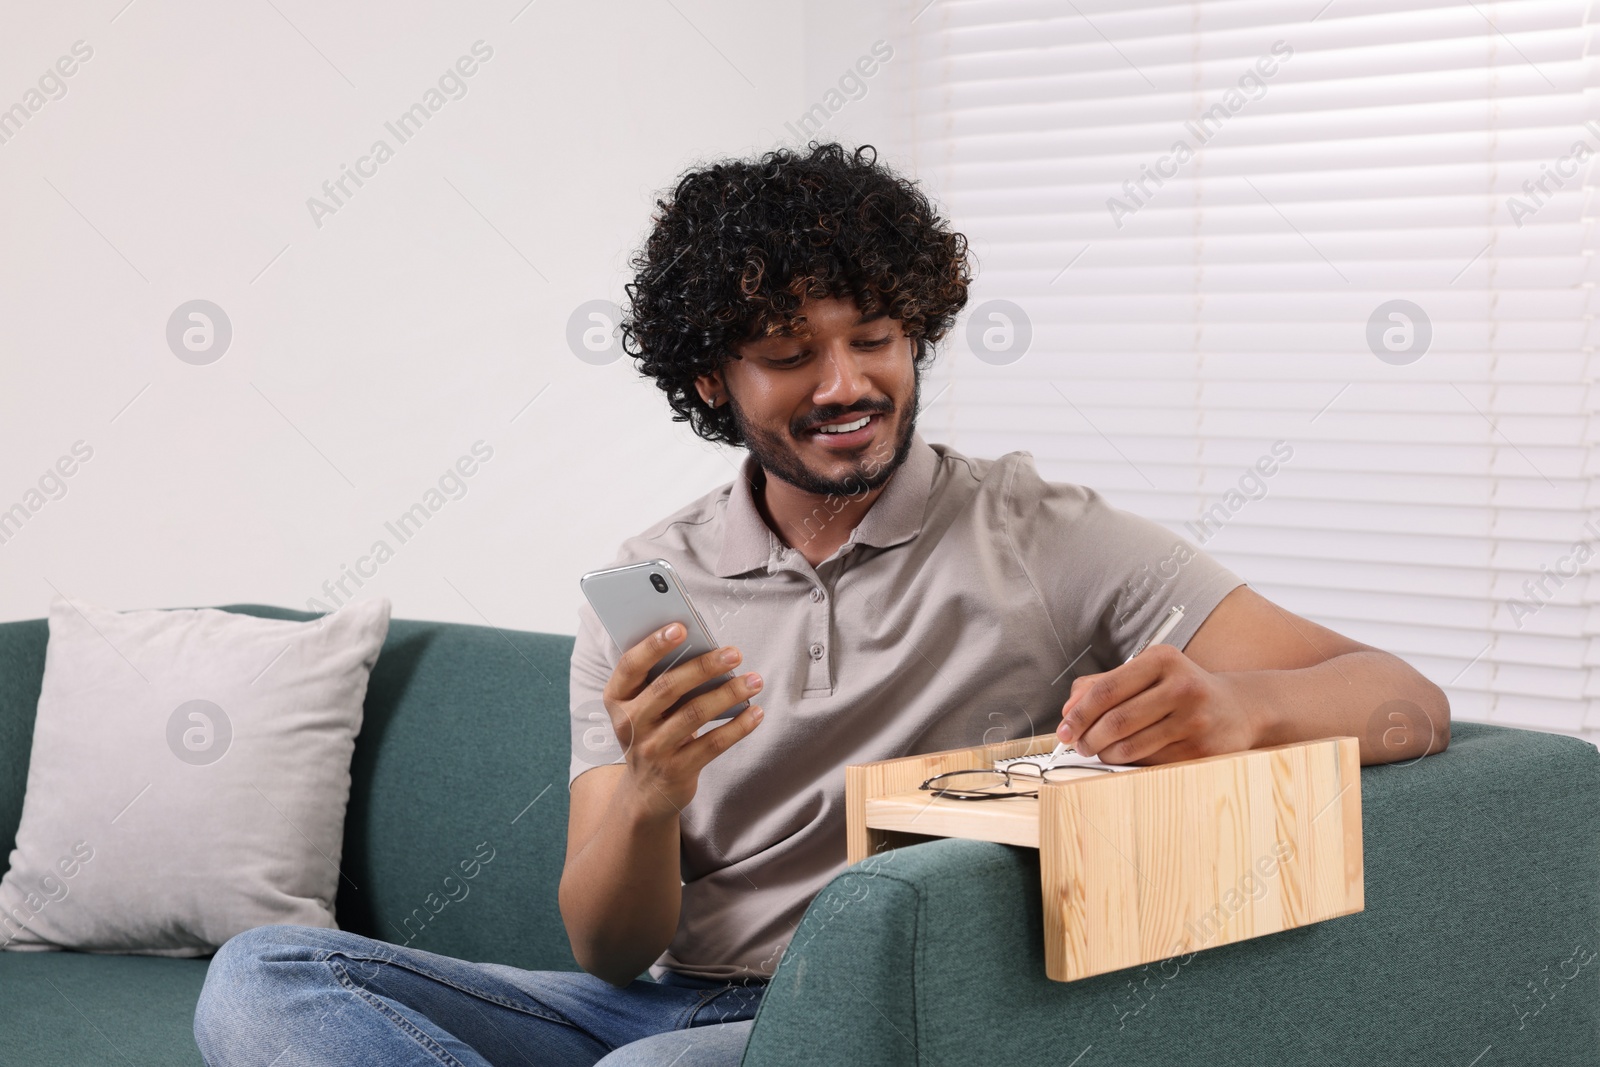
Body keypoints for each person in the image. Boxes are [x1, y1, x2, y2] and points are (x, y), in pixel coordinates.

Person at [193, 142, 1450, 1066]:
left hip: (890, 1007)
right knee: (265, 974)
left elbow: (1404, 700)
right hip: (672, 1002)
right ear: (713, 379)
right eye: (791, 353)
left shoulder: (1040, 533)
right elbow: (606, 947)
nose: (848, 383)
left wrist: (1229, 708)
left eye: (879, 339)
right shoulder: (648, 584)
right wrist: (648, 791)